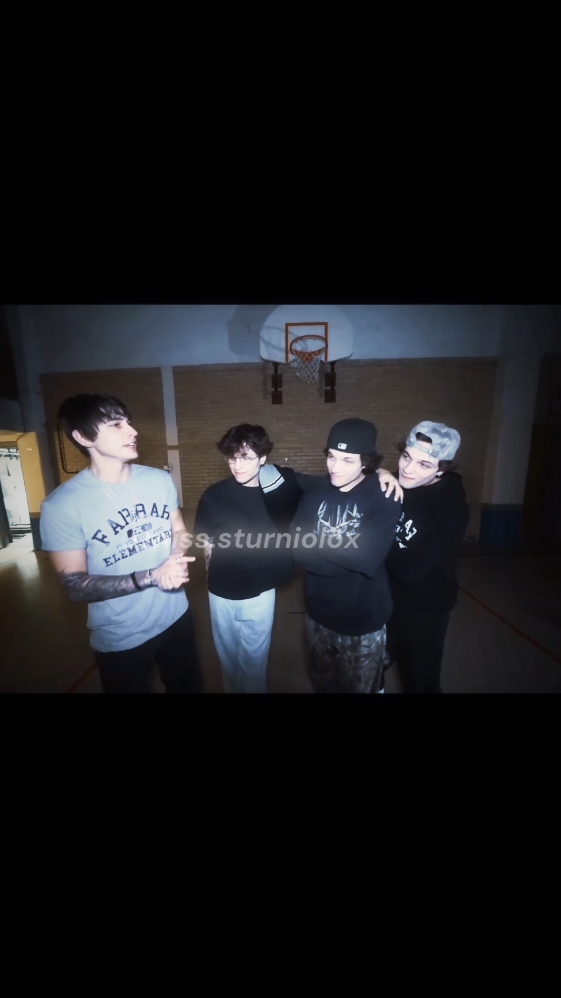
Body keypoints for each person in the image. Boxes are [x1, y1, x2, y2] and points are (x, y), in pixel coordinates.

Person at [193, 422, 402, 695]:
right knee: (231, 661)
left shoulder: (284, 483)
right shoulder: (215, 495)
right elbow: (208, 542)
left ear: (262, 458)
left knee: (255, 663)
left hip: (267, 593)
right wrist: (212, 577)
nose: (237, 465)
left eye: (246, 457)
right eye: (232, 458)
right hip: (232, 593)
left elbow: (363, 553)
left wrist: (382, 472)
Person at [40, 394, 203, 694]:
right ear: (83, 437)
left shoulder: (159, 480)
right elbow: (75, 586)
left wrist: (176, 558)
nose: (133, 431)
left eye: (129, 422)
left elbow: (179, 530)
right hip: (121, 635)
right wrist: (152, 576)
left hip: (176, 618)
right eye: (116, 424)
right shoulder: (61, 505)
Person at [291, 418, 402, 694]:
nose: (335, 467)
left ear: (366, 461)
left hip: (361, 620)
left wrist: (314, 543)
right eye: (331, 456)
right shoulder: (317, 491)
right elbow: (295, 547)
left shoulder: (384, 495)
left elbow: (367, 559)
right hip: (316, 615)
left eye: (347, 460)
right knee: (323, 686)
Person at [384, 420, 469, 694]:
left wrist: (373, 541)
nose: (407, 469)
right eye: (406, 456)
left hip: (425, 609)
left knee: (420, 683)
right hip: (388, 601)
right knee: (366, 672)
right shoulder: (401, 481)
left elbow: (411, 570)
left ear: (441, 470)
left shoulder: (451, 508)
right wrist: (381, 473)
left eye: (424, 464)